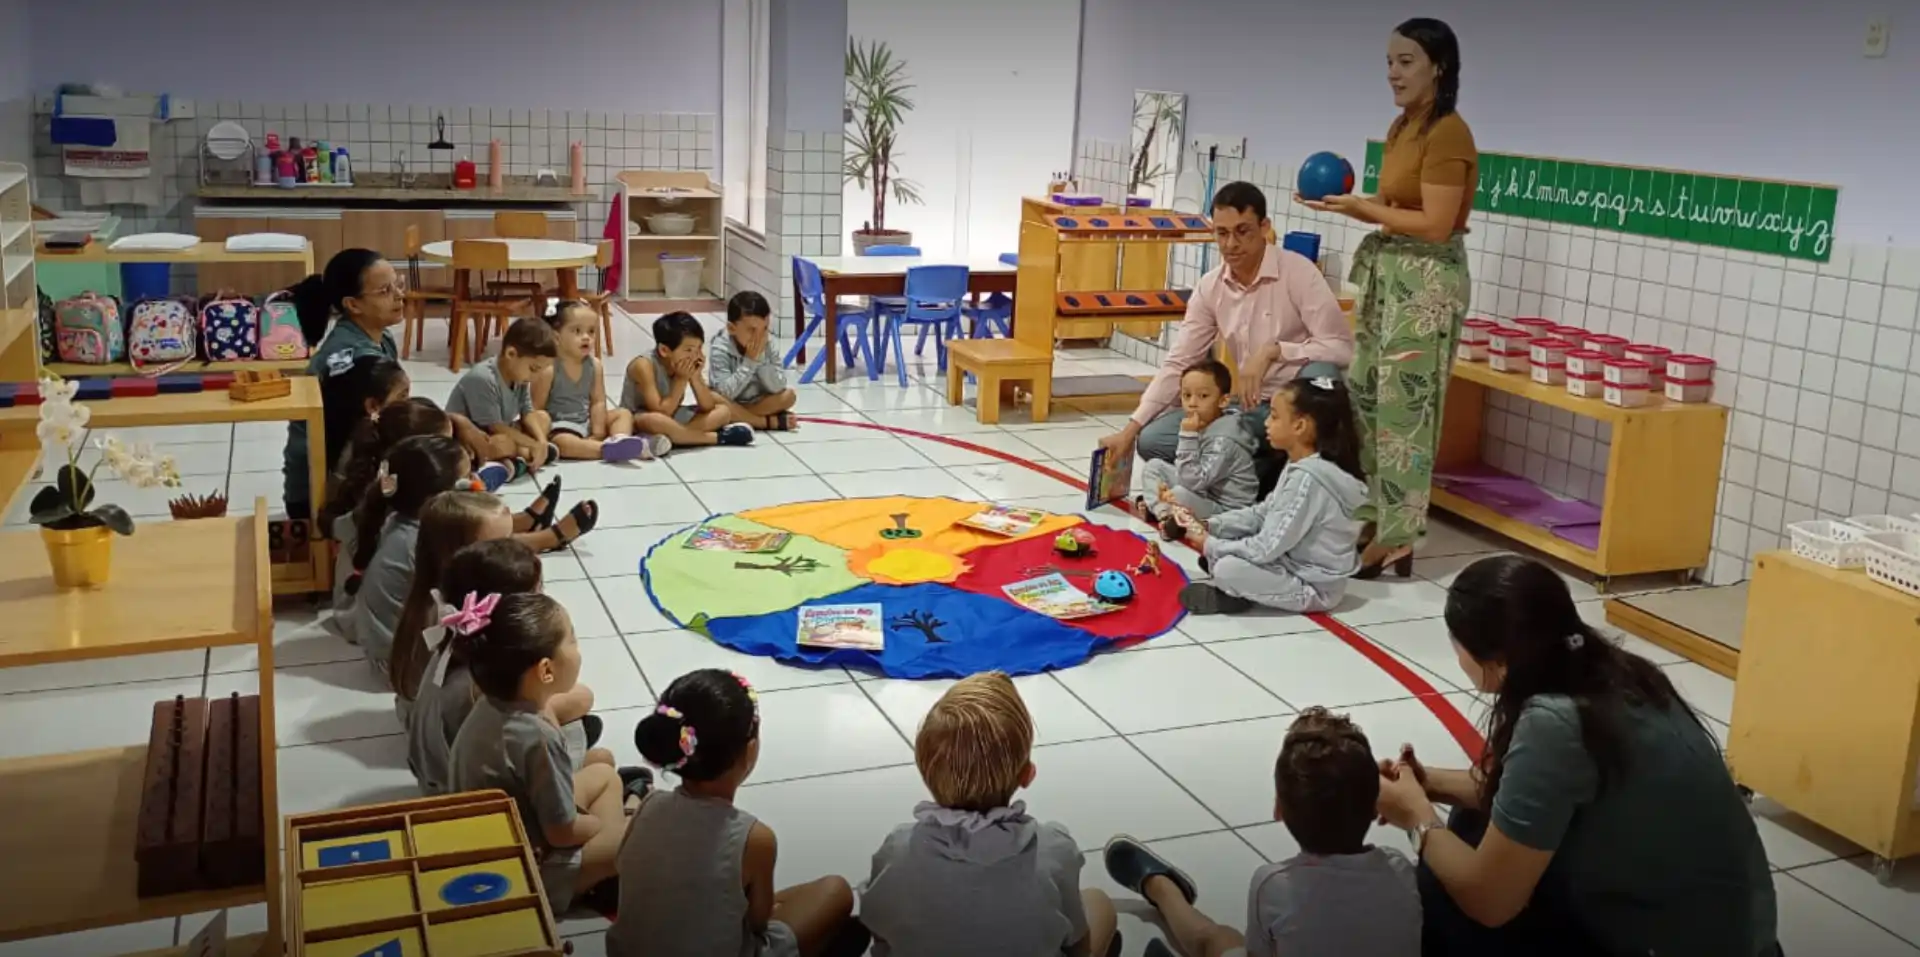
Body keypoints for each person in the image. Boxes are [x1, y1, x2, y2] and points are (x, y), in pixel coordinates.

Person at [1375, 555, 1778, 957]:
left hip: (1673, 942)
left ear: (1497, 661)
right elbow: (1521, 793)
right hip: (1738, 935)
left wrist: (1416, 819)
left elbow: (1489, 901)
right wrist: (1427, 785)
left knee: (1443, 882)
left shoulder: (1555, 723)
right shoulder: (1619, 673)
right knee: (1472, 825)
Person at [1297, 18, 1477, 579]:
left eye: (1406, 62)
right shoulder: (1404, 126)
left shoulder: (1449, 131)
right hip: (1390, 273)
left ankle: (1400, 534)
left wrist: (1363, 210)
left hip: (1424, 284)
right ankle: (1377, 515)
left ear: (1438, 68)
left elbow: (1436, 224)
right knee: (1368, 400)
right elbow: (1402, 202)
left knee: (1406, 414)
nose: (1393, 74)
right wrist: (1352, 202)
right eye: (1389, 63)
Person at [1096, 182, 1351, 493]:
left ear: (1265, 227)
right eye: (1222, 233)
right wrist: (1130, 430)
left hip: (1290, 409)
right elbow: (1180, 362)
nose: (1231, 244)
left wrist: (1276, 351)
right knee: (1152, 440)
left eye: (1243, 231)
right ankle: (1250, 476)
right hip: (1247, 410)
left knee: (1323, 375)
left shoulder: (1299, 273)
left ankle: (1268, 477)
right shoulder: (1211, 286)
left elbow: (1341, 348)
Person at [1103, 707, 1420, 957]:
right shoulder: (1400, 868)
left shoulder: (1273, 884)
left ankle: (1163, 889)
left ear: (1278, 810)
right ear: (1377, 808)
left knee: (1217, 940)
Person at [861, 672, 1118, 957]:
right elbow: (1076, 942)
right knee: (1098, 902)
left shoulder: (898, 848)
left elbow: (877, 929)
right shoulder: (1053, 847)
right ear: (1027, 774)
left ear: (925, 773)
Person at [611, 669, 863, 957]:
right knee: (837, 891)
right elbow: (758, 922)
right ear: (751, 749)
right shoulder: (754, 838)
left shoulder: (647, 806)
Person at [449, 593, 645, 916]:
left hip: (504, 831)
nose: (578, 649)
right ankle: (601, 877)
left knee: (604, 771)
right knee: (634, 835)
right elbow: (562, 832)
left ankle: (605, 863)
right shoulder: (535, 737)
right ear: (546, 671)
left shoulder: (491, 703)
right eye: (573, 639)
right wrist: (595, 824)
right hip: (527, 866)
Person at [407, 538, 613, 795]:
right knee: (601, 762)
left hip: (437, 769)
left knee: (582, 703)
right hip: (462, 794)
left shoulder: (456, 638)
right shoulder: (480, 682)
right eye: (538, 594)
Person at [1175, 377, 1367, 615]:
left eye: (1274, 416)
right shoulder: (1301, 463)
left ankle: (1236, 592)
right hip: (1288, 561)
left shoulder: (1309, 479)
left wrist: (1211, 544)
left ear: (1299, 426)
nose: (1266, 422)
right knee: (1229, 548)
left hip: (1312, 586)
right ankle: (1237, 584)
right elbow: (1263, 512)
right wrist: (1212, 525)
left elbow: (1266, 547)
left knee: (1227, 567)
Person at [318, 397, 450, 641]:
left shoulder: (384, 486)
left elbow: (335, 526)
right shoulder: (395, 508)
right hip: (363, 621)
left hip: (355, 612)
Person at [345, 435, 469, 677]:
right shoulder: (420, 542)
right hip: (405, 667)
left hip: (394, 653)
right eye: (466, 482)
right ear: (436, 499)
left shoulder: (400, 520)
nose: (475, 484)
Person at [1134, 359, 1259, 541]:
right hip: (1204, 491)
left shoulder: (1223, 441)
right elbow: (1190, 475)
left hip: (1225, 510)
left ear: (1224, 400)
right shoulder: (1203, 423)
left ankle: (1168, 514)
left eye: (1203, 396)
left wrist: (1187, 437)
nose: (1192, 403)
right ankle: (1165, 516)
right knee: (1154, 467)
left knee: (1178, 494)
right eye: (1186, 395)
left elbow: (1193, 483)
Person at [536, 299, 666, 463]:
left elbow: (598, 401)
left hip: (589, 420)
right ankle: (609, 450)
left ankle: (620, 439)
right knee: (562, 443)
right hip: (562, 425)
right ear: (556, 337)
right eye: (577, 331)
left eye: (591, 331)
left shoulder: (594, 365)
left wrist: (597, 431)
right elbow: (536, 409)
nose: (586, 338)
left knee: (623, 414)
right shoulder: (549, 369)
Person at [622, 311, 756, 448]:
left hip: (672, 417)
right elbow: (660, 411)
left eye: (699, 349)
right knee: (654, 420)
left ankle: (676, 437)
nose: (695, 356)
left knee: (723, 411)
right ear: (664, 350)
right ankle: (716, 438)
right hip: (641, 420)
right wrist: (681, 380)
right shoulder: (644, 365)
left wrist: (695, 377)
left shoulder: (685, 364)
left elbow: (707, 406)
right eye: (688, 350)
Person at [447, 317, 561, 475]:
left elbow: (527, 411)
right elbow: (494, 426)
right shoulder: (483, 378)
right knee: (503, 443)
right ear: (511, 353)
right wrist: (533, 443)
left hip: (501, 428)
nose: (536, 377)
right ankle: (510, 462)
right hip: (472, 440)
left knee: (543, 418)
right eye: (534, 369)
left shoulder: (520, 377)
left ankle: (521, 458)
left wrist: (541, 441)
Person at [710, 291, 799, 432]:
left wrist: (760, 358)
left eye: (764, 329)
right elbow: (724, 393)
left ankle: (737, 417)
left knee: (789, 396)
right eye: (752, 330)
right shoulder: (720, 346)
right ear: (731, 328)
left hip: (758, 401)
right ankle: (764, 422)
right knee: (713, 398)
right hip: (730, 400)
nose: (759, 336)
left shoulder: (768, 343)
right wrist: (749, 362)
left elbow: (778, 387)